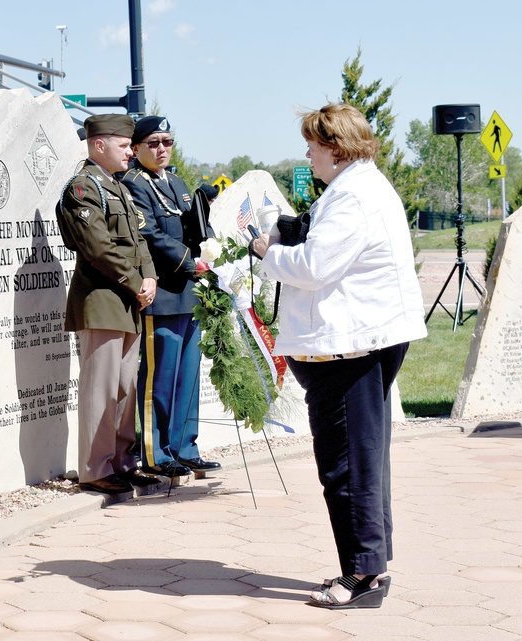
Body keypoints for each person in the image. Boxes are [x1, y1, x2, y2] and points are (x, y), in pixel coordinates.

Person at [249, 103, 426, 609]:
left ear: (334, 147)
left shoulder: (353, 196)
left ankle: (362, 576)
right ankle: (369, 564)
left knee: (347, 464)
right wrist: (289, 229)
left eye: (312, 144)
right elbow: (321, 239)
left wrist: (267, 252)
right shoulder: (355, 188)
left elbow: (315, 265)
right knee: (362, 459)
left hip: (349, 347)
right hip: (357, 341)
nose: (307, 153)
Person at [59, 114, 159, 495]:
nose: (131, 153)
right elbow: (99, 248)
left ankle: (122, 461)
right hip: (102, 299)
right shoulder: (83, 189)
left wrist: (149, 279)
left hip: (127, 300)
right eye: (123, 145)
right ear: (99, 145)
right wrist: (137, 283)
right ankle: (95, 468)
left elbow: (139, 242)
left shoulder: (117, 188)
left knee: (124, 388)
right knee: (100, 389)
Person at [122, 116, 220, 478]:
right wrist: (191, 263)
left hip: (188, 294)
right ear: (136, 149)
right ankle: (156, 454)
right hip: (161, 293)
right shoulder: (133, 185)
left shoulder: (177, 183)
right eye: (154, 143)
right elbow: (150, 238)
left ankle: (184, 448)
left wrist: (203, 210)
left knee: (188, 377)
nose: (162, 149)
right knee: (159, 380)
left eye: (168, 142)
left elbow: (192, 230)